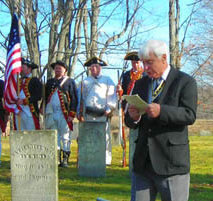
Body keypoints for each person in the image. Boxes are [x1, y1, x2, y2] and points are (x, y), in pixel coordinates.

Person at [125, 40, 198, 201]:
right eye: (143, 63)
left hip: (171, 162)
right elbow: (129, 121)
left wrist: (162, 111)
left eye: (149, 63)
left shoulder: (185, 82)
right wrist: (133, 117)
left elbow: (189, 114)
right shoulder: (141, 84)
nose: (146, 68)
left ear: (164, 58)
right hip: (143, 163)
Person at [77, 56, 117, 166]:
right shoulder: (85, 81)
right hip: (88, 114)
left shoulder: (107, 80)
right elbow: (80, 98)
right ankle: (89, 157)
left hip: (102, 114)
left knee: (105, 137)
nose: (94, 69)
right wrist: (79, 112)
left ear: (100, 68)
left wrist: (109, 108)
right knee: (89, 136)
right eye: (92, 67)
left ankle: (106, 160)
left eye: (96, 66)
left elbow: (112, 95)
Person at [117, 51, 144, 201]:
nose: (135, 64)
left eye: (137, 61)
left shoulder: (145, 74)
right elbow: (123, 91)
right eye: (133, 62)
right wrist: (120, 92)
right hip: (128, 106)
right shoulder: (126, 75)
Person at [43, 60, 78, 168]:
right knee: (55, 136)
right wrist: (42, 108)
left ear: (65, 70)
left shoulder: (70, 82)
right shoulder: (49, 82)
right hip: (51, 112)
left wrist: (71, 114)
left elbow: (74, 99)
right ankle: (56, 159)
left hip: (64, 113)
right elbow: (45, 97)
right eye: (56, 68)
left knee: (65, 136)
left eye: (60, 68)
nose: (58, 70)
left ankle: (65, 159)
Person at [14, 58, 42, 130]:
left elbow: (38, 96)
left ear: (29, 69)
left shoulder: (35, 81)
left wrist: (24, 101)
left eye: (23, 67)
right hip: (19, 111)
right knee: (19, 133)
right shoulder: (18, 80)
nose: (21, 69)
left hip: (30, 111)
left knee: (31, 133)